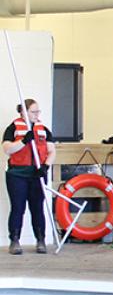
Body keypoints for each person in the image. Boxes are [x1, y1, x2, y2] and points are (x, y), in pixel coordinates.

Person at [2, 99, 56, 255]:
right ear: (23, 112)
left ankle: (41, 240)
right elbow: (7, 149)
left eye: (38, 111)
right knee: (18, 208)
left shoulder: (43, 130)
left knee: (37, 208)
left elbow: (51, 151)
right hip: (17, 174)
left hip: (37, 174)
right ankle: (15, 241)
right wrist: (24, 140)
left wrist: (45, 166)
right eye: (33, 112)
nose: (36, 115)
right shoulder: (12, 129)